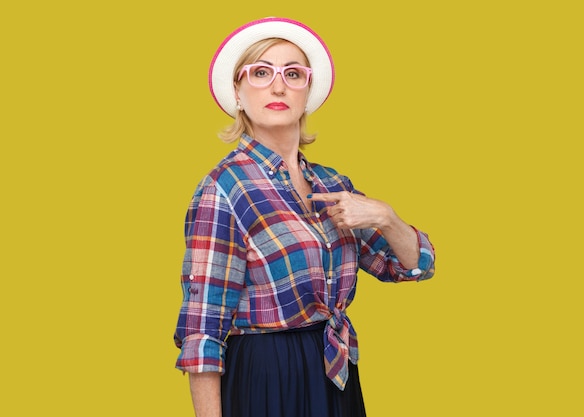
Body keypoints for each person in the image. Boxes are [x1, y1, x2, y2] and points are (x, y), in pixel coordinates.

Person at [173, 17, 436, 417]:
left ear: (307, 91)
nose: (278, 86)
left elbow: (413, 266)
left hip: (335, 369)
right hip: (266, 377)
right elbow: (203, 332)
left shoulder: (332, 185)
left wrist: (385, 217)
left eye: (292, 74)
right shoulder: (224, 189)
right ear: (238, 92)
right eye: (261, 72)